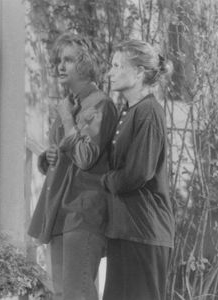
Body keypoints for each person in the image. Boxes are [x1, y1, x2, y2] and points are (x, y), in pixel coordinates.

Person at [28, 32, 118, 300]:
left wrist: (67, 120)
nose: (60, 66)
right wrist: (48, 157)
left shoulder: (101, 104)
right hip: (58, 209)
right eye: (59, 60)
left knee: (77, 293)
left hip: (83, 211)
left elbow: (86, 158)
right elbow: (62, 153)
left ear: (85, 64)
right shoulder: (69, 103)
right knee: (60, 293)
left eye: (68, 60)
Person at [101, 40, 175, 300]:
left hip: (145, 231)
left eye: (117, 66)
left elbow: (137, 173)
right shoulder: (128, 111)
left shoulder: (149, 112)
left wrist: (106, 181)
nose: (110, 72)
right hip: (123, 229)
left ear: (139, 73)